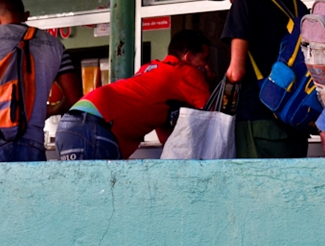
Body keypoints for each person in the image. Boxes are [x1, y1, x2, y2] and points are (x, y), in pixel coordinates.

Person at [209, 0, 310, 158]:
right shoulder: (294, 3)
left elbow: (236, 72)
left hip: (258, 122)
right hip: (296, 120)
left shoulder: (244, 2)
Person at [0, 0, 81, 163]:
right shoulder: (55, 45)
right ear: (25, 16)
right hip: (32, 142)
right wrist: (46, 111)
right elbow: (74, 99)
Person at [55, 30, 212, 160]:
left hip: (71, 124)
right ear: (189, 57)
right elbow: (213, 118)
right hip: (97, 127)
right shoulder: (187, 72)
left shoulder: (151, 69)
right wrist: (210, 81)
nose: (207, 65)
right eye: (205, 59)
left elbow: (167, 142)